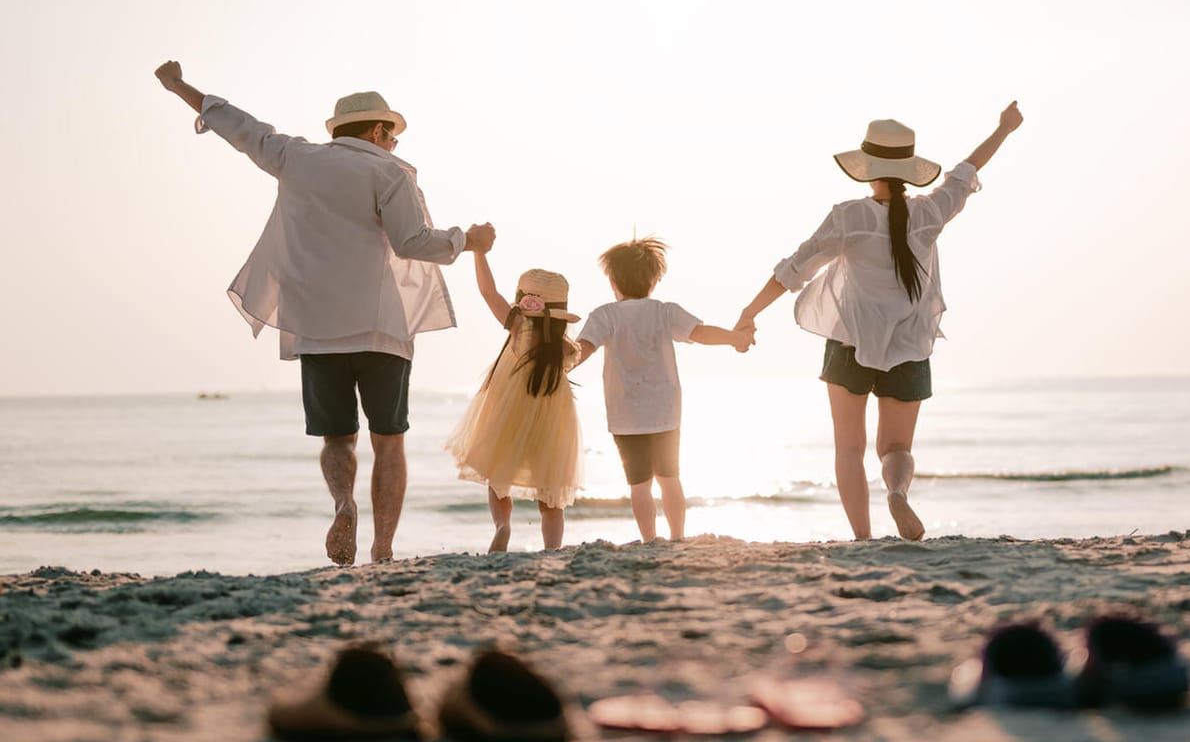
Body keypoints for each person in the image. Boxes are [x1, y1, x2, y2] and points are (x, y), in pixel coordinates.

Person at [153, 61, 495, 566]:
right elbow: (411, 242)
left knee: (338, 436)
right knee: (389, 440)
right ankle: (382, 549)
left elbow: (239, 127)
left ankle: (343, 504)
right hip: (381, 328)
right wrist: (466, 239)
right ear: (378, 131)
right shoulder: (388, 172)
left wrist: (181, 87)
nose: (395, 146)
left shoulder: (295, 157)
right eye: (393, 136)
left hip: (315, 327)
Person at [735, 101, 1024, 542]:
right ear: (908, 170)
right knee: (896, 448)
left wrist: (749, 313)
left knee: (849, 450)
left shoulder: (850, 216)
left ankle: (864, 539)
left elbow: (794, 270)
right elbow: (966, 171)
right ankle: (897, 491)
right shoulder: (930, 213)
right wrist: (1003, 129)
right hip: (910, 344)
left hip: (850, 342)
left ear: (866, 168)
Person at [574, 237, 753, 542]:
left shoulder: (604, 315)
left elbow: (582, 350)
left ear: (613, 280)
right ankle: (677, 536)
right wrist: (735, 338)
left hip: (625, 415)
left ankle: (648, 539)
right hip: (665, 412)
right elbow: (702, 333)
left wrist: (552, 367)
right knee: (670, 478)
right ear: (654, 281)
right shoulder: (665, 311)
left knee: (639, 484)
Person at [444, 258, 584, 553]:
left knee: (498, 475)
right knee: (551, 491)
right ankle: (552, 548)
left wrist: (478, 254)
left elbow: (488, 291)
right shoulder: (565, 346)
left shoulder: (518, 326)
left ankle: (502, 526)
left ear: (523, 302)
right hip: (552, 417)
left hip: (509, 409)